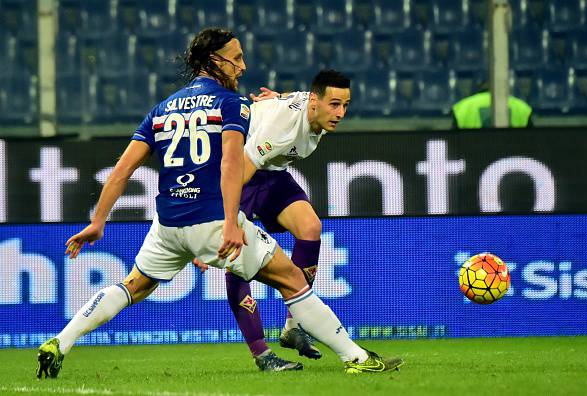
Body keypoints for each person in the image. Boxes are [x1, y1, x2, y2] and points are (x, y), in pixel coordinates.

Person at [36, 28, 403, 379]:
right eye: (236, 58)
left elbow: (121, 169)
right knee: (292, 279)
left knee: (133, 286)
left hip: (167, 223)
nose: (242, 66)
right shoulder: (231, 104)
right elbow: (232, 162)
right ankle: (356, 358)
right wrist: (231, 222)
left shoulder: (162, 108)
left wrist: (98, 221)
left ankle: (59, 343)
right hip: (211, 217)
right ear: (214, 61)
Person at [195, 70, 353, 371]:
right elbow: (242, 166)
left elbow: (293, 96)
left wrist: (274, 98)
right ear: (316, 102)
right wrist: (217, 221)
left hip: (272, 172)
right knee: (238, 256)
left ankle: (294, 326)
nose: (340, 113)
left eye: (345, 105)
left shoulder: (310, 105)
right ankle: (261, 352)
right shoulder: (283, 129)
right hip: (238, 169)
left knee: (310, 227)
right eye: (334, 104)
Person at [451, 87, 533, 129]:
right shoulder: (521, 106)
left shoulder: (463, 107)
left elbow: (453, 142)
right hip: (512, 156)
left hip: (472, 153)